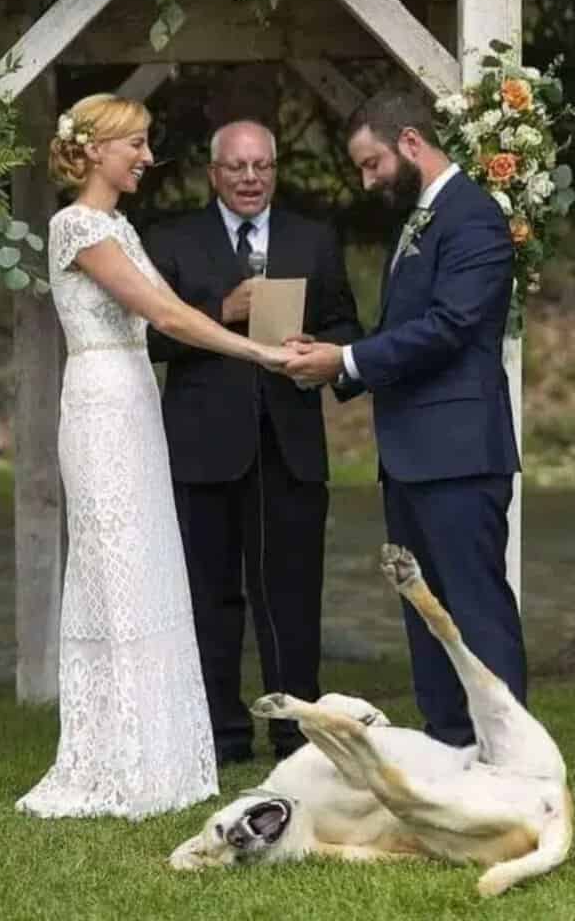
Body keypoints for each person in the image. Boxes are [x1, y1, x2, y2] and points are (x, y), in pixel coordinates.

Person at [17, 95, 292, 819]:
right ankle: (118, 754)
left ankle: (159, 749)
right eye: (135, 144)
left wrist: (256, 326)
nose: (146, 156)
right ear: (98, 149)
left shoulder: (118, 225)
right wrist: (260, 349)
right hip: (102, 401)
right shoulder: (75, 225)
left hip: (138, 398)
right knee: (115, 567)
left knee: (150, 563)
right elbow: (168, 316)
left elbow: (176, 308)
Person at [285, 90, 525, 747]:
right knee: (426, 609)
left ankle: (507, 754)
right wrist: (333, 356)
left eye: (372, 163)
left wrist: (348, 359)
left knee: (473, 608)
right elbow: (405, 328)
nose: (367, 180)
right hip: (414, 453)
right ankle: (451, 741)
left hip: (459, 452)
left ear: (411, 143)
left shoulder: (471, 217)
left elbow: (449, 327)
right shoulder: (422, 218)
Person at [146, 120, 362, 764]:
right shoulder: (172, 241)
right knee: (210, 598)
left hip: (288, 446)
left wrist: (318, 347)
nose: (250, 178)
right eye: (237, 167)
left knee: (291, 597)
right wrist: (220, 312)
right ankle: (220, 733)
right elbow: (150, 341)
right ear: (214, 173)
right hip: (202, 449)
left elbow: (346, 321)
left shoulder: (313, 240)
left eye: (261, 166)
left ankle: (297, 733)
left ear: (275, 170)